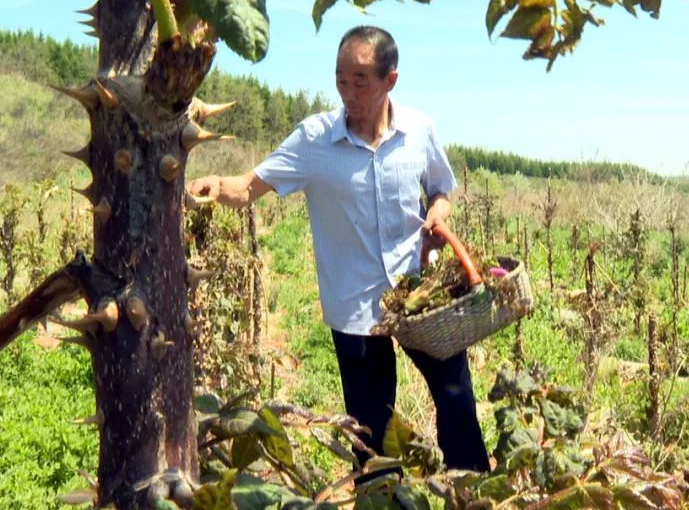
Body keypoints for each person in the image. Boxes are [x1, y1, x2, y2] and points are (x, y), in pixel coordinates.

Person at [188, 26, 491, 476]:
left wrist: (439, 214)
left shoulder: (419, 131)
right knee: (370, 431)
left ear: (391, 80)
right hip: (355, 307)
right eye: (341, 79)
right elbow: (251, 186)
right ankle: (383, 503)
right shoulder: (315, 140)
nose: (348, 92)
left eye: (360, 80)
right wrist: (216, 186)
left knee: (456, 400)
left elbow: (442, 189)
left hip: (418, 299)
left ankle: (472, 492)